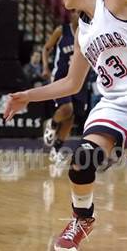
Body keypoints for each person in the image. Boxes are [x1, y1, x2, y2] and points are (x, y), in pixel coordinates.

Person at [3, 0, 127, 251]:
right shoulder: (82, 31)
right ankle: (83, 219)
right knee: (82, 161)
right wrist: (27, 96)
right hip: (116, 101)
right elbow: (71, 83)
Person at [41, 10, 89, 163]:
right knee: (67, 109)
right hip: (60, 78)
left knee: (71, 117)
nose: (76, 14)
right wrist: (45, 68)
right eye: (74, 12)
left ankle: (56, 150)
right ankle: (52, 123)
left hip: (79, 79)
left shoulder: (87, 31)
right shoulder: (62, 30)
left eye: (79, 12)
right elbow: (46, 48)